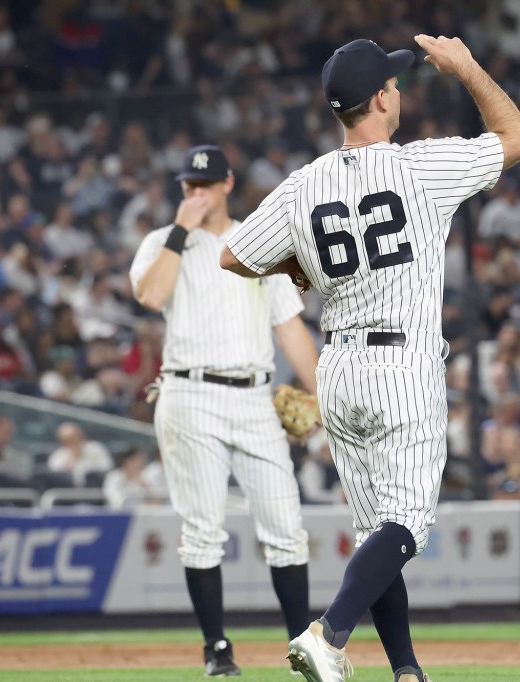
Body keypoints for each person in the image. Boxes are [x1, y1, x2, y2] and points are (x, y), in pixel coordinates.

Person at [220, 35, 520, 682]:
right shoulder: (420, 167)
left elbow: (233, 256)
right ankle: (328, 633)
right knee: (406, 528)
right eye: (394, 84)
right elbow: (518, 137)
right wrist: (471, 69)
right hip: (402, 363)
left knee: (377, 536)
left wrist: (298, 264)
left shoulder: (301, 185)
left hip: (338, 370)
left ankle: (407, 672)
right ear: (384, 98)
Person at [130, 144, 319, 677]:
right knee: (202, 530)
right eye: (189, 186)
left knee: (286, 526)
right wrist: (179, 230)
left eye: (205, 185)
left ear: (228, 185)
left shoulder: (254, 242)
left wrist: (324, 395)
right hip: (188, 395)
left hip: (255, 397)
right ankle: (217, 649)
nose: (196, 194)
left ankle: (303, 646)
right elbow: (151, 295)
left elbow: (290, 328)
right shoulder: (163, 243)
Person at [47, 421, 113, 487]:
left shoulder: (96, 448)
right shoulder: (57, 456)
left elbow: (107, 468)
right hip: (68, 491)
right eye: (68, 440)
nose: (74, 441)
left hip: (96, 489)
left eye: (75, 437)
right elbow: (55, 478)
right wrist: (72, 458)